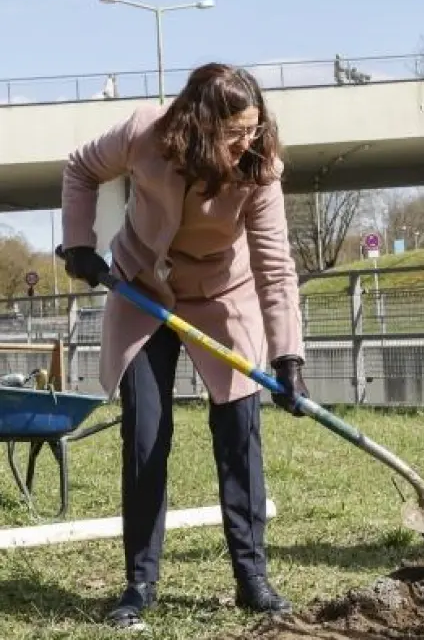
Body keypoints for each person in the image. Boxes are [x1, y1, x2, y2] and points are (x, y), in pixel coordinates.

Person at [59, 63, 307, 629]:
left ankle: (252, 577)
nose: (246, 141)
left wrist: (288, 355)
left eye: (253, 128)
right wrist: (79, 244)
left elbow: (274, 267)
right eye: (234, 132)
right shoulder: (144, 133)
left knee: (239, 432)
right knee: (146, 434)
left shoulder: (259, 167)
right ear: (199, 125)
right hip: (142, 288)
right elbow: (80, 168)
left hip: (222, 296)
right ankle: (139, 583)